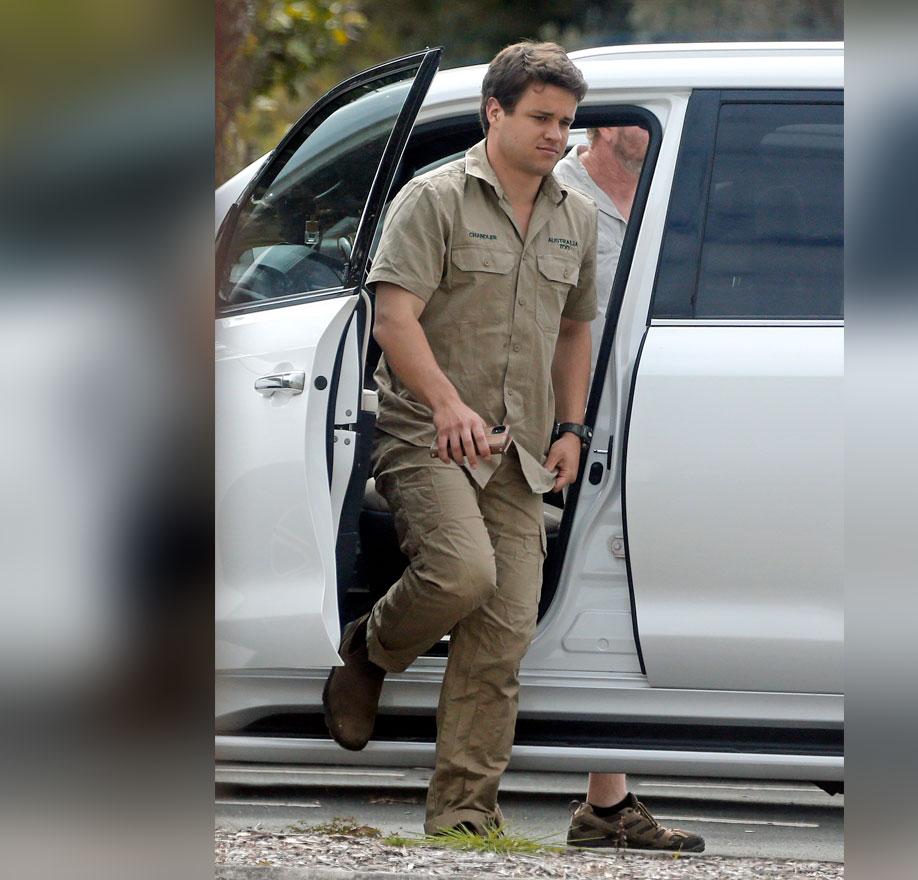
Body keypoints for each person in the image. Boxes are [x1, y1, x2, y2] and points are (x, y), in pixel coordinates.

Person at [321, 40, 597, 836]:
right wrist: (445, 404)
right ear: (495, 111)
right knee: (460, 573)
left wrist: (572, 426)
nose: (556, 135)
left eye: (566, 121)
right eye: (541, 117)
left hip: (518, 448)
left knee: (504, 633)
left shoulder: (574, 216)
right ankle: (368, 651)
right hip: (425, 429)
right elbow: (394, 316)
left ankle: (463, 815)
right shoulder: (434, 198)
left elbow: (575, 330)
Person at [552, 126, 705, 853]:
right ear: (604, 126)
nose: (642, 134)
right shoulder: (557, 191)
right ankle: (466, 790)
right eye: (633, 122)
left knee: (606, 595)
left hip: (654, 424)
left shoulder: (680, 187)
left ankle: (605, 805)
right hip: (567, 428)